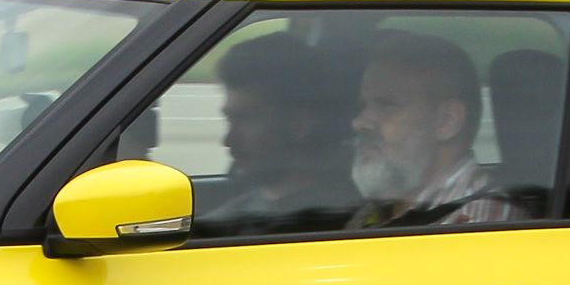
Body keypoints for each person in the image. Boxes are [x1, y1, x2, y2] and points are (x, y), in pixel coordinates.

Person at [347, 32, 512, 228]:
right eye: (363, 105)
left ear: (447, 121)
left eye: (387, 104)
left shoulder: (478, 223)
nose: (359, 122)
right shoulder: (383, 208)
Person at [201, 32, 362, 233]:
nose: (229, 140)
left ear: (298, 126)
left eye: (247, 119)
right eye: (230, 119)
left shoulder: (334, 223)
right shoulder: (237, 215)